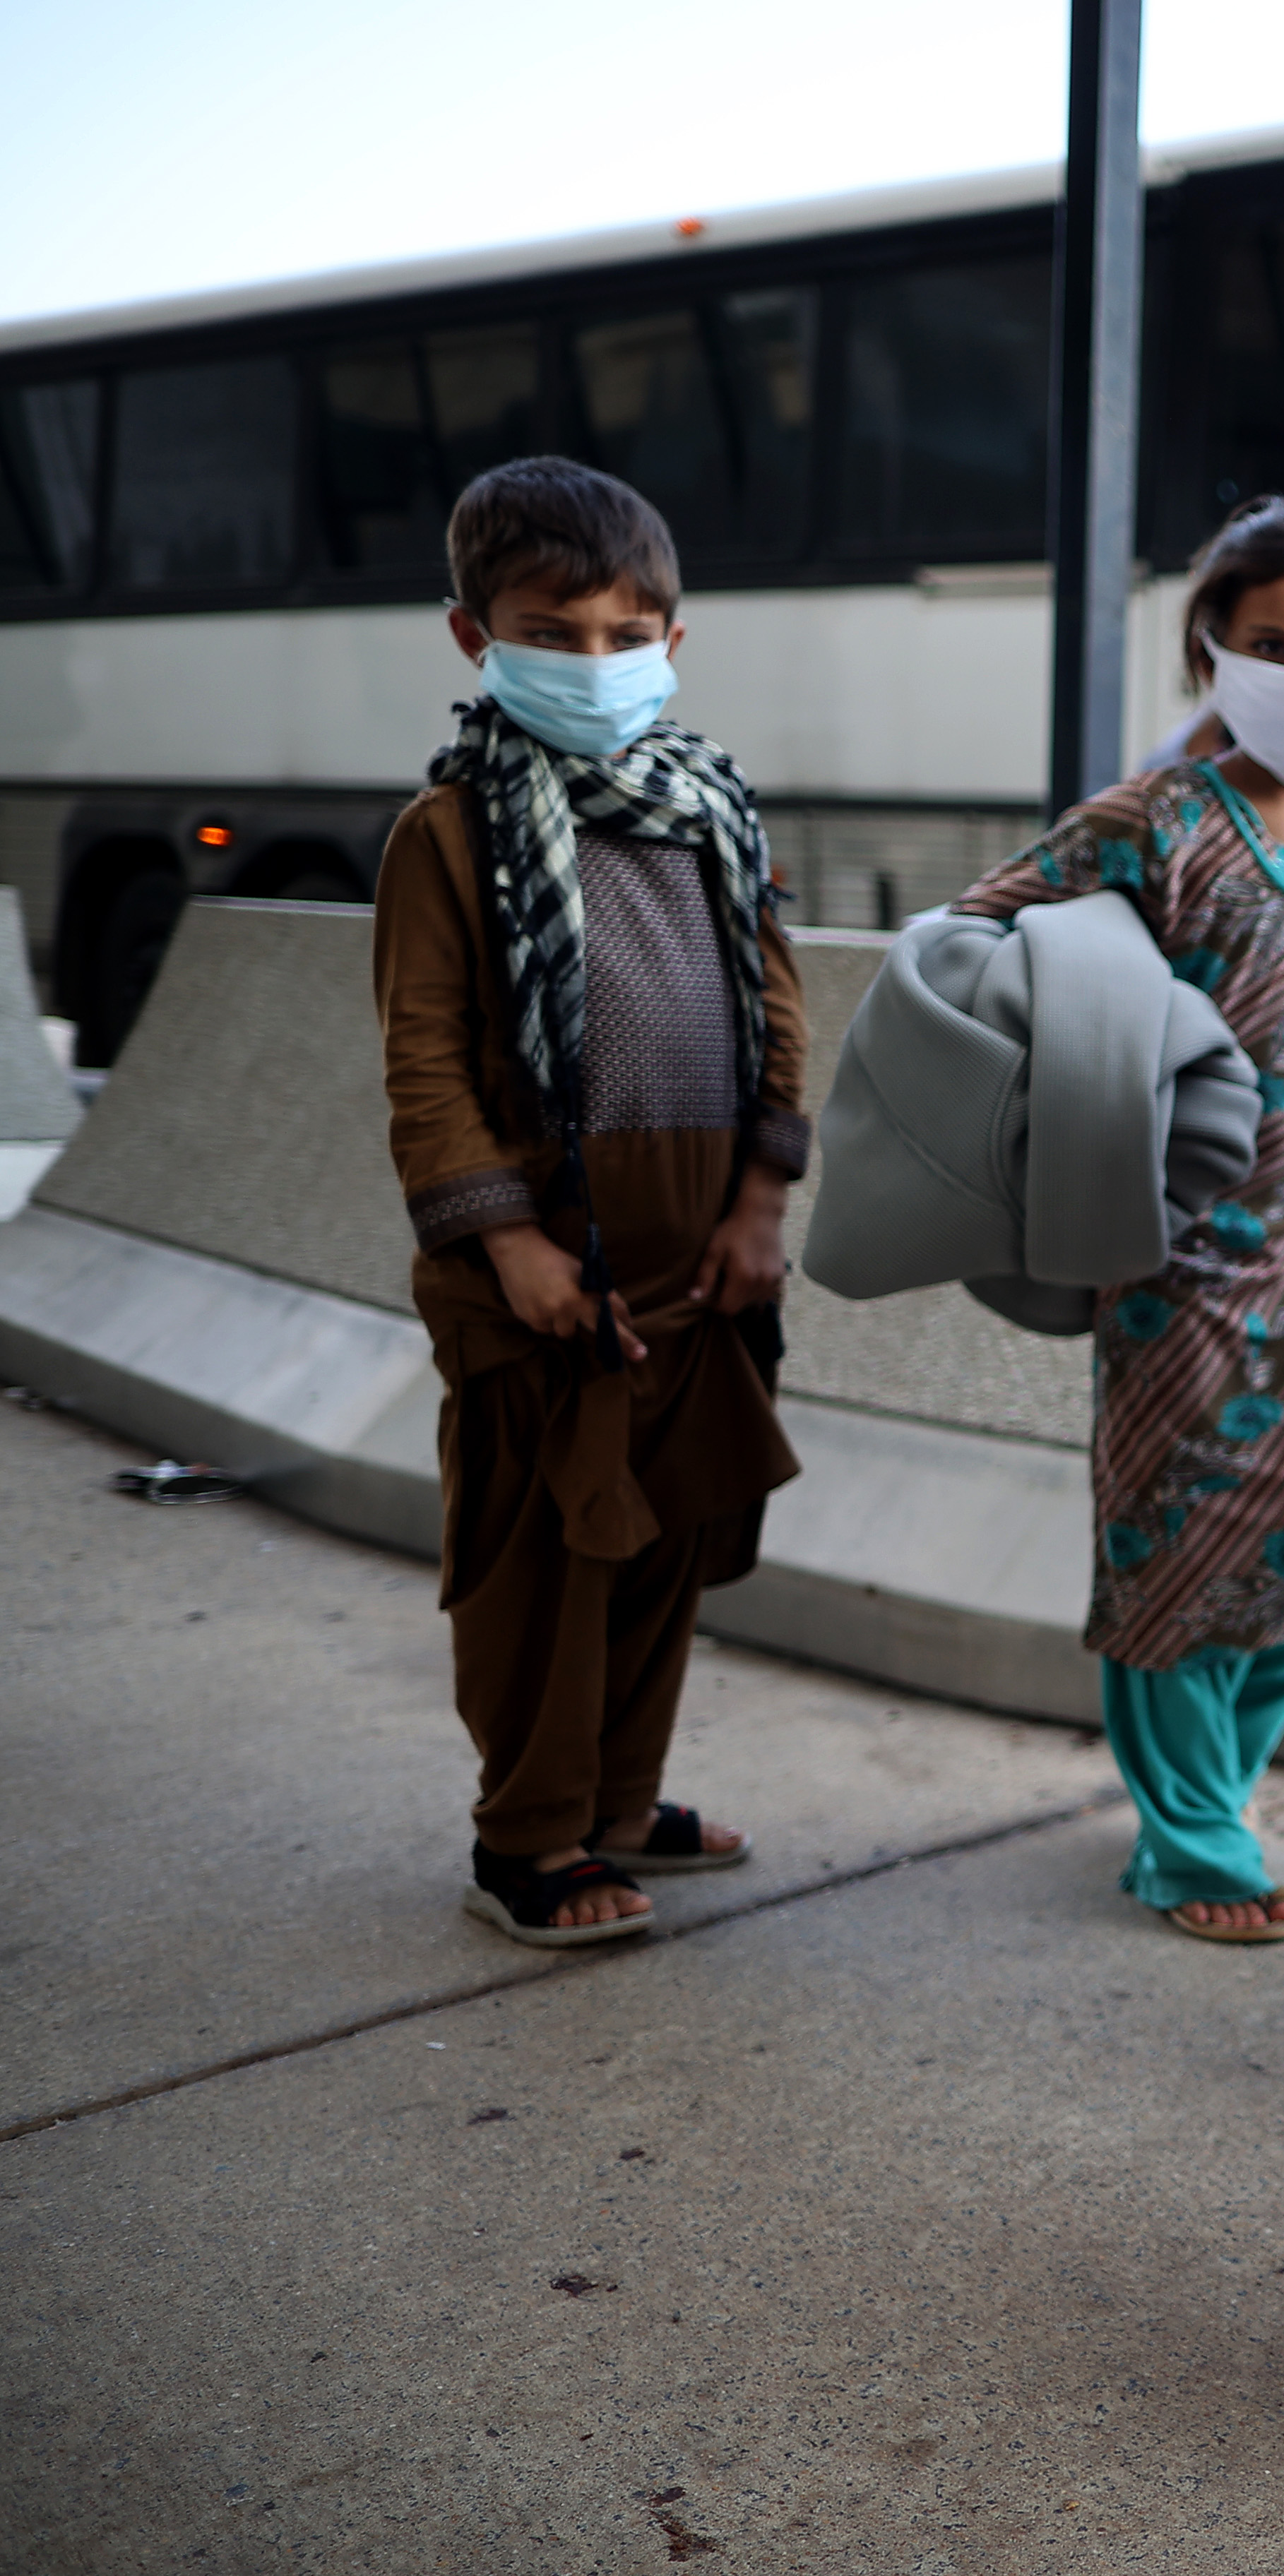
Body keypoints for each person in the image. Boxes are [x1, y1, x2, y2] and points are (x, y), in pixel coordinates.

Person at [951, 495, 1284, 1942]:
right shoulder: (1158, 822)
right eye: (1273, 642)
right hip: (1175, 1264)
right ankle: (1191, 1840)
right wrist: (1104, 1091)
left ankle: (1210, 1793)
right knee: (1175, 1544)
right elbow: (974, 947)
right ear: (1212, 650)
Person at [373, 457, 805, 1947]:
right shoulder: (449, 832)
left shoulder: (713, 812)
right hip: (540, 1282)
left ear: (674, 643)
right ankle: (528, 1835)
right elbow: (426, 1063)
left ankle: (621, 1800)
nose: (596, 660)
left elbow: (776, 1013)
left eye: (629, 633)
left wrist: (761, 1206)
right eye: (553, 632)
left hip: (699, 1272)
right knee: (542, 1563)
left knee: (665, 1543)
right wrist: (507, 1239)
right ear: (473, 637)